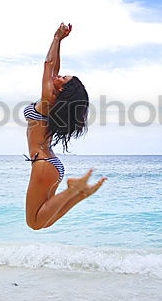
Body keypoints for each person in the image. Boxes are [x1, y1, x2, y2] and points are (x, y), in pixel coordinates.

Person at [24, 23, 106, 230]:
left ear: (62, 90)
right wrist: (60, 42)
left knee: (34, 223)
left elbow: (48, 64)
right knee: (43, 222)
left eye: (63, 79)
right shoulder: (54, 104)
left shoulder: (47, 100)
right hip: (51, 165)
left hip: (43, 164)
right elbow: (54, 68)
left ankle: (72, 190)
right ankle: (78, 194)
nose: (58, 76)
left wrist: (56, 38)